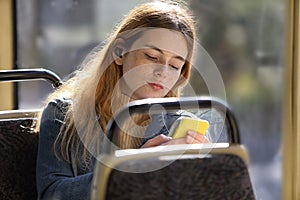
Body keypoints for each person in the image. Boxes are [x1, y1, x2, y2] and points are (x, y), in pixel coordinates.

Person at [36, 1, 209, 199]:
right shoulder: (63, 116)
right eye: (151, 57)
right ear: (119, 53)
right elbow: (52, 195)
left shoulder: (181, 128)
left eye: (175, 66)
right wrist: (129, 168)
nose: (162, 72)